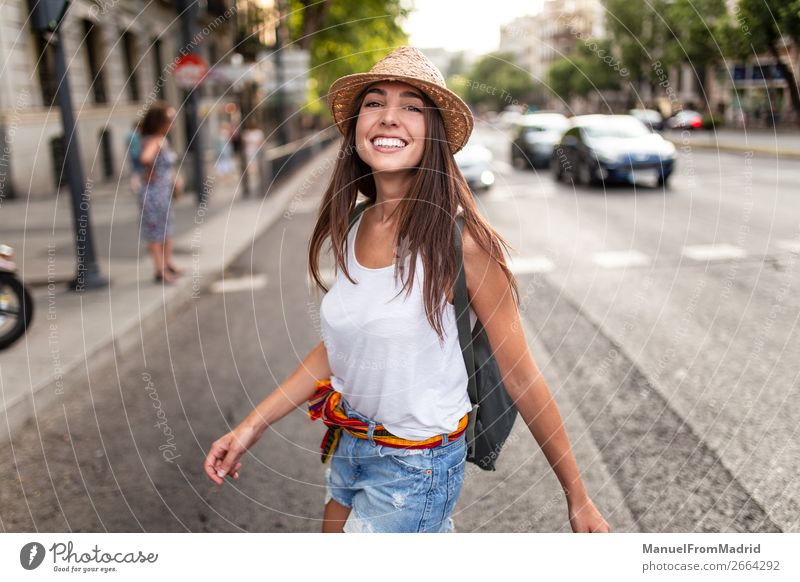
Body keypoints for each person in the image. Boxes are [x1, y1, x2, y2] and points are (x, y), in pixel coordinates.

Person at [204, 46, 610, 533]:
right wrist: (251, 426)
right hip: (349, 442)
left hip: (413, 468)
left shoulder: (463, 243)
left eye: (411, 107)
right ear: (356, 127)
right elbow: (337, 350)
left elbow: (522, 378)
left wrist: (578, 498)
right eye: (374, 103)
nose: (389, 117)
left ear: (432, 133)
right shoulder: (354, 223)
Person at [137, 101, 184, 284]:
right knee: (155, 230)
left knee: (166, 228)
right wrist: (152, 173)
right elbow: (145, 158)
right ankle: (160, 269)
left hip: (162, 192)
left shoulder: (162, 140)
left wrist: (172, 180)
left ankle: (168, 263)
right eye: (169, 119)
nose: (172, 123)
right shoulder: (155, 140)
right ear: (159, 122)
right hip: (154, 193)